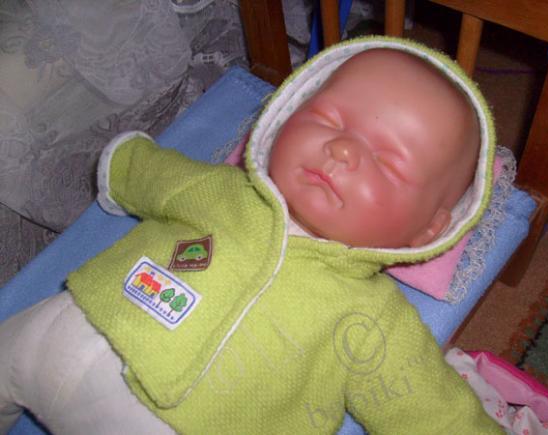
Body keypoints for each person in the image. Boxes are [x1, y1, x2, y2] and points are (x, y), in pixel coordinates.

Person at [0, 37, 501, 434]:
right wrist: (125, 163)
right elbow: (157, 178)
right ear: (285, 115)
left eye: (388, 162)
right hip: (63, 329)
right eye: (328, 119)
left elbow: (431, 412)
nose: (343, 149)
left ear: (428, 230)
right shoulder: (222, 191)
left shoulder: (372, 320)